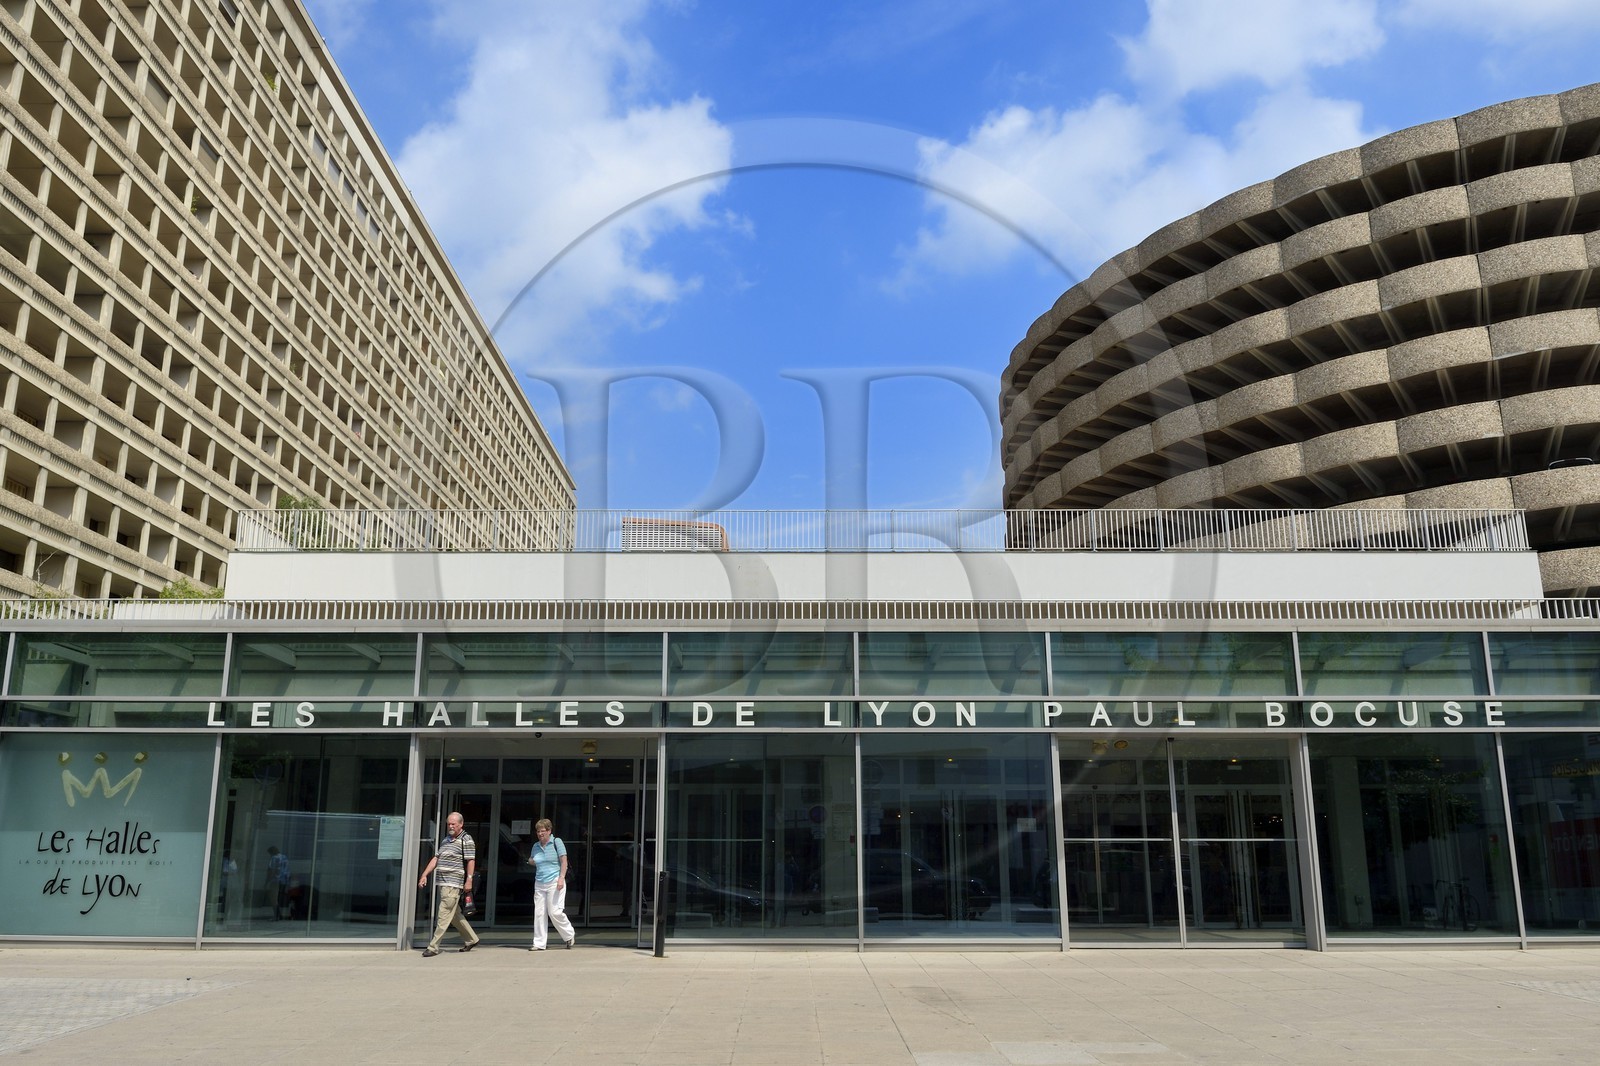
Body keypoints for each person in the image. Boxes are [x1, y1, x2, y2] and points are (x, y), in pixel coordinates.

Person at [418, 812, 480, 957]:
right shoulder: (446, 840)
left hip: (453, 884)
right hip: (443, 884)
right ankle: (472, 939)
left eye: (453, 824)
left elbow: (471, 860)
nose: (450, 826)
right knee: (454, 915)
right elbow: (436, 858)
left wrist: (469, 880)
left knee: (443, 915)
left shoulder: (466, 839)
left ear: (461, 824)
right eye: (449, 824)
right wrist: (424, 874)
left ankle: (433, 947)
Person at [526, 818, 575, 951]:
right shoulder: (536, 846)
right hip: (540, 882)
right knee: (539, 913)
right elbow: (532, 860)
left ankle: (569, 934)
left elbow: (564, 861)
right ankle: (539, 943)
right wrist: (530, 861)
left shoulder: (556, 842)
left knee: (555, 912)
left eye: (542, 831)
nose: (540, 834)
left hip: (555, 881)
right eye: (538, 831)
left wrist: (561, 878)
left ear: (549, 831)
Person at [265, 846, 289, 920]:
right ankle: (279, 915)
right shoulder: (284, 857)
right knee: (279, 899)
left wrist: (267, 882)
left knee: (273, 899)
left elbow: (271, 871)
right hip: (283, 881)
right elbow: (287, 870)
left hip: (275, 881)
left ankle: (276, 916)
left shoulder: (274, 858)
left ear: (271, 852)